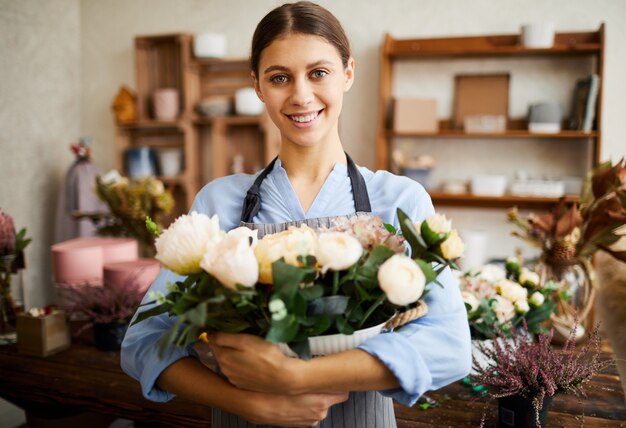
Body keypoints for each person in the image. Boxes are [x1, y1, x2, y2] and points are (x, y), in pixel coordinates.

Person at [121, 2, 471, 427]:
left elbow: (449, 346)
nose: (301, 95)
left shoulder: (400, 199)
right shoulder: (217, 203)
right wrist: (252, 405)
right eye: (280, 78)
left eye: (318, 72)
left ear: (348, 73)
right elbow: (144, 342)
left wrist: (294, 376)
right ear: (257, 86)